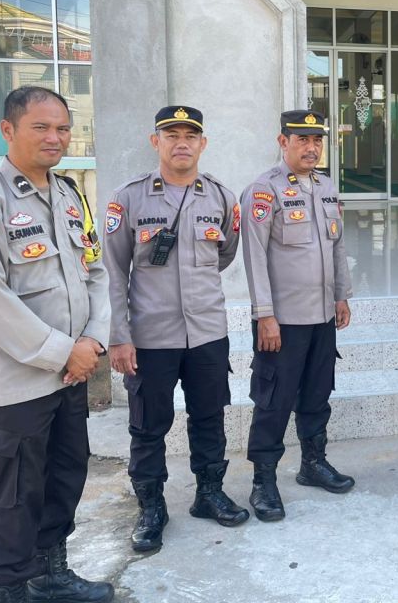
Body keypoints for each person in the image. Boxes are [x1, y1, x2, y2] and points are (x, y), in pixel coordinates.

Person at [0, 86, 113, 603]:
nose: (54, 137)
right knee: (15, 498)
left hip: (70, 377)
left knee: (64, 479)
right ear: (8, 130)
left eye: (62, 128)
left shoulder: (70, 195)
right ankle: (12, 588)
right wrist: (65, 352)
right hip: (17, 385)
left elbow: (95, 272)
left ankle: (50, 573)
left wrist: (93, 340)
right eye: (41, 127)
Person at [103, 105, 249, 553]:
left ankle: (209, 493)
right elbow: (113, 272)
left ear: (203, 144)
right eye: (172, 135)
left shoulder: (222, 198)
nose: (181, 143)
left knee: (209, 416)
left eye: (190, 135)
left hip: (207, 332)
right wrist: (119, 336)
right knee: (148, 425)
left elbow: (225, 254)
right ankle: (151, 507)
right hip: (151, 337)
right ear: (156, 142)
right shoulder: (129, 199)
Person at [240, 110, 354, 522]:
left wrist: (342, 296)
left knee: (317, 395)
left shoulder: (326, 187)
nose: (311, 147)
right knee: (273, 401)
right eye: (302, 139)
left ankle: (313, 464)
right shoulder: (263, 190)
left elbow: (337, 247)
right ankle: (263, 481)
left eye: (317, 140)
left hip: (322, 317)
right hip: (282, 321)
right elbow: (253, 256)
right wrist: (264, 315)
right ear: (282, 141)